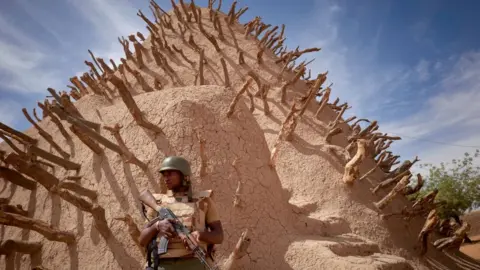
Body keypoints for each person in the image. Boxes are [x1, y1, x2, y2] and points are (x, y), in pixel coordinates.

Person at [138, 156, 224, 270]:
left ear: (183, 175)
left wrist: (199, 235)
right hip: (162, 264)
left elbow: (219, 236)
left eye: (170, 174)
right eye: (164, 175)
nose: (166, 178)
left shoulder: (203, 201)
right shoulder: (157, 203)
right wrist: (157, 226)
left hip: (193, 263)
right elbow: (142, 240)